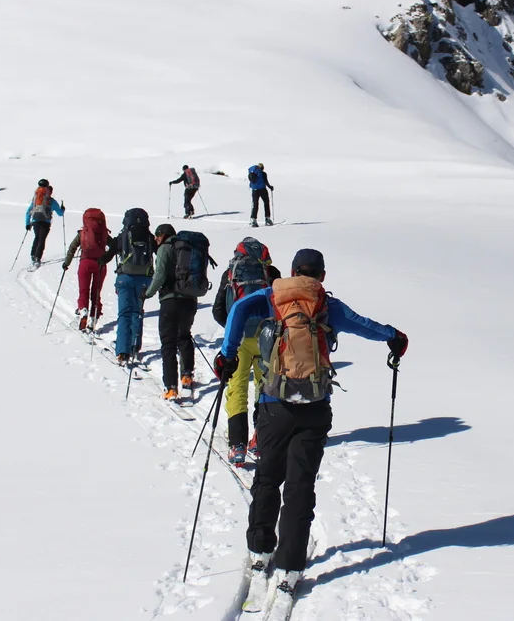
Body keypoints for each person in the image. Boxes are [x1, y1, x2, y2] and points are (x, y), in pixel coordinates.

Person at [213, 248, 408, 603]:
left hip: (273, 406)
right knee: (300, 486)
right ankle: (290, 566)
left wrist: (227, 353)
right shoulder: (325, 304)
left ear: (291, 270)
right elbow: (364, 325)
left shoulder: (272, 296)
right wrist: (394, 336)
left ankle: (260, 550)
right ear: (321, 274)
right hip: (314, 408)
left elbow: (239, 309)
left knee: (268, 478)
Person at [211, 237, 282, 466]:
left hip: (239, 341)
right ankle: (260, 439)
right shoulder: (272, 273)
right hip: (266, 339)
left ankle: (237, 445)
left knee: (237, 388)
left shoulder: (230, 273)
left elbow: (218, 310)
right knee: (265, 388)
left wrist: (233, 330)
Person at [145, 224, 214, 400]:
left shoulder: (165, 248)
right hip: (190, 300)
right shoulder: (189, 248)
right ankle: (187, 375)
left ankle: (171, 387)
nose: (155, 239)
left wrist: (147, 293)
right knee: (184, 335)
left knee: (168, 343)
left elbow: (160, 275)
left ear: (163, 235)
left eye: (157, 236)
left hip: (170, 299)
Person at [112, 208, 156, 364]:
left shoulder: (124, 235)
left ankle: (122, 351)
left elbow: (111, 250)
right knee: (137, 312)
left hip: (125, 278)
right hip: (144, 279)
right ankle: (135, 346)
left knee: (124, 313)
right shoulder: (149, 236)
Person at [62, 208, 113, 331]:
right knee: (96, 293)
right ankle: (94, 318)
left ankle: (83, 310)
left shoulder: (82, 233)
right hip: (101, 265)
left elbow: (72, 248)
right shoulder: (104, 233)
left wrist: (66, 263)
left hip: (85, 262)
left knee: (83, 291)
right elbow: (115, 247)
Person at [25, 179, 64, 268]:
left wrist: (27, 223)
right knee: (42, 240)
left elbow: (28, 211)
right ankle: (37, 259)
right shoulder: (51, 201)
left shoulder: (35, 199)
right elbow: (60, 213)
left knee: (37, 237)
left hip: (35, 221)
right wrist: (63, 209)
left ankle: (33, 255)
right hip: (45, 222)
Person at [247, 163, 274, 227]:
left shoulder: (252, 172)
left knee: (255, 204)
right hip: (262, 190)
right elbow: (266, 182)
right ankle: (267, 219)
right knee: (266, 203)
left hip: (254, 190)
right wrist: (270, 187)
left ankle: (253, 220)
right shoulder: (263, 174)